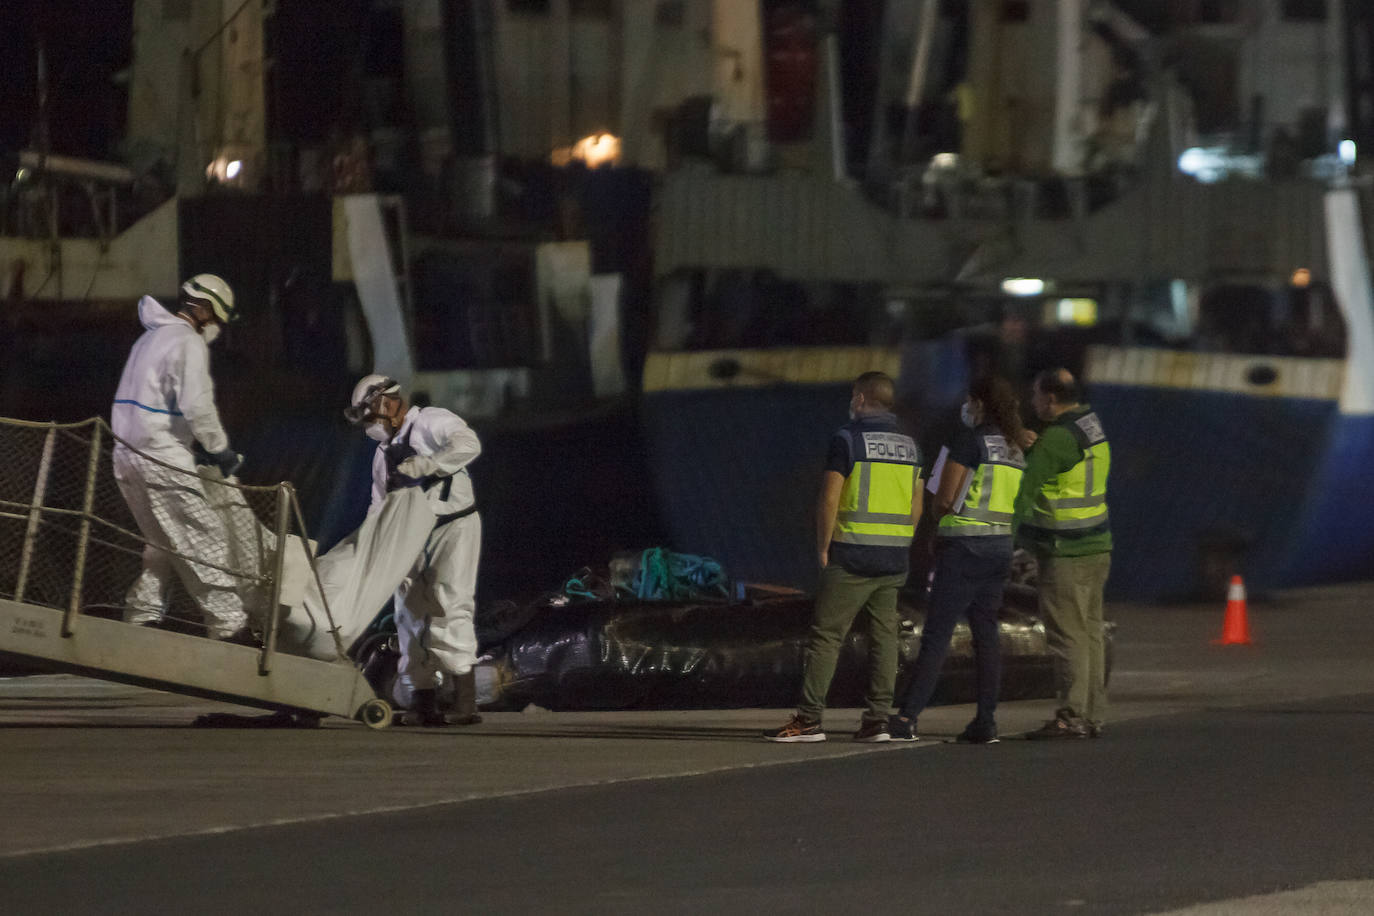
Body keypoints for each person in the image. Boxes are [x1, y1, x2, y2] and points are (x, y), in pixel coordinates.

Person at [765, 371, 924, 743]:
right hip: (893, 557)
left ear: (862, 399)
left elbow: (830, 498)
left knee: (826, 637)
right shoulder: (912, 445)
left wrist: (823, 546)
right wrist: (902, 542)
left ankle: (808, 721)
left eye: (854, 396)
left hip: (852, 553)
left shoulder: (847, 439)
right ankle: (878, 721)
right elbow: (918, 503)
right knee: (884, 637)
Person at [111, 274, 256, 644]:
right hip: (162, 456)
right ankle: (229, 627)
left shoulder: (149, 338)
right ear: (206, 311)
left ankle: (141, 618)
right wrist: (221, 450)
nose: (217, 328)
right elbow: (197, 405)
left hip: (126, 456)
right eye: (218, 319)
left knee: (162, 544)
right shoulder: (188, 343)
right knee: (204, 539)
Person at [890, 375, 1027, 744]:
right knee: (987, 636)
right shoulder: (1014, 448)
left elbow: (945, 499)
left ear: (979, 403)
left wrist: (936, 516)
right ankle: (985, 722)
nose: (964, 407)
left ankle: (907, 716)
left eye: (968, 400)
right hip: (999, 550)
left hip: (964, 548)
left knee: (937, 634)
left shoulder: (970, 441)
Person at [345, 374, 483, 726]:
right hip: (409, 536)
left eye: (369, 417)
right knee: (408, 614)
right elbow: (379, 506)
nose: (369, 428)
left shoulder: (431, 421)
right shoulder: (382, 455)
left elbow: (469, 444)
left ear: (387, 405)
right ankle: (424, 700)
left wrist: (430, 463)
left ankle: (465, 700)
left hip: (452, 527)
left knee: (451, 603)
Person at [1013, 368, 1112, 739]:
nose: (1033, 402)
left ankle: (1070, 715)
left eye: (1036, 395)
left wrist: (1003, 540)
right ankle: (1091, 714)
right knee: (1089, 633)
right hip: (1096, 545)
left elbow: (1024, 492)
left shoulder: (1056, 439)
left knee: (1066, 635)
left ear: (1051, 399)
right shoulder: (1089, 424)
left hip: (1064, 550)